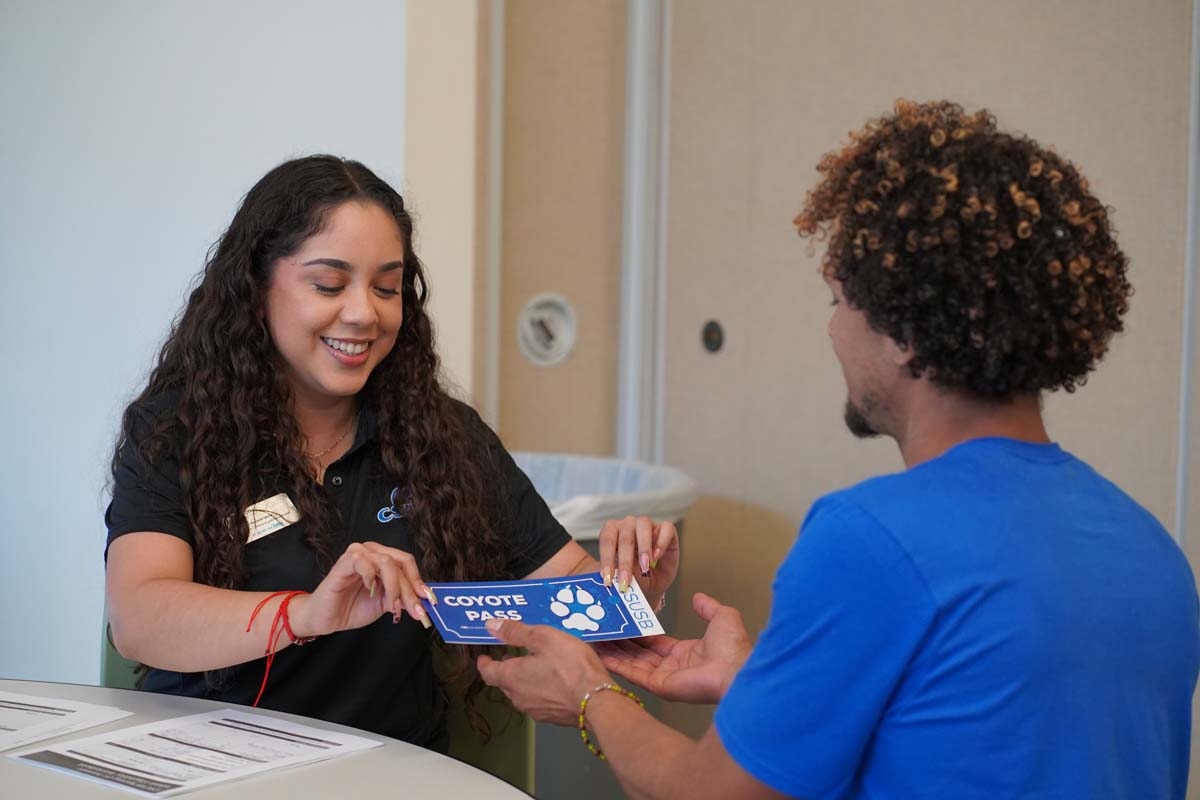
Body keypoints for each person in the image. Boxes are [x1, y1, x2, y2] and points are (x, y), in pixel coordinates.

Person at [476, 100, 1200, 798]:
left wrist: (588, 693)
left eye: (839, 301)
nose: (832, 333)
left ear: (907, 330)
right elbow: (973, 735)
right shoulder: (1151, 551)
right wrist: (758, 683)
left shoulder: (872, 539)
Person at [104, 154, 679, 750]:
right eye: (328, 285)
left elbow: (570, 590)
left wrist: (634, 591)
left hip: (392, 771)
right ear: (255, 289)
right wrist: (306, 615)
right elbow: (139, 619)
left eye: (386, 287)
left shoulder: (443, 437)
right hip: (208, 766)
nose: (363, 313)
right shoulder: (176, 430)